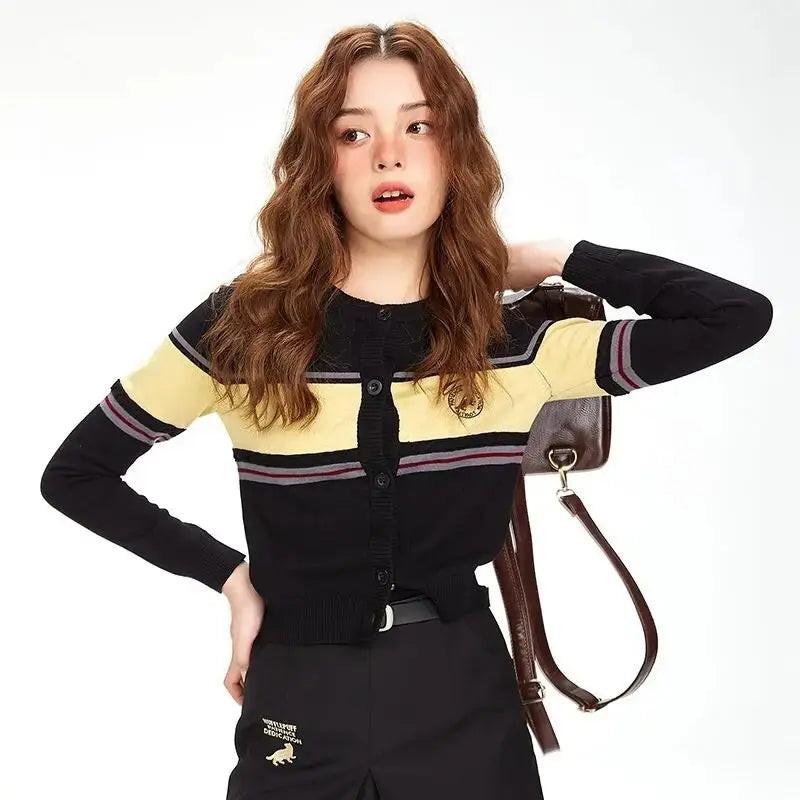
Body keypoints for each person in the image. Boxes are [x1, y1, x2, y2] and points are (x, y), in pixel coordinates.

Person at [39, 20, 773, 800]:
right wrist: (227, 576)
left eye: (419, 126)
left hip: (463, 696)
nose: (388, 155)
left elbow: (734, 317)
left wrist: (558, 258)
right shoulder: (240, 331)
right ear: (319, 162)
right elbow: (78, 475)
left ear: (456, 151)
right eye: (353, 133)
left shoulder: (515, 341)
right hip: (297, 696)